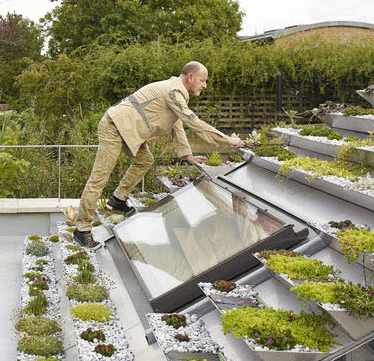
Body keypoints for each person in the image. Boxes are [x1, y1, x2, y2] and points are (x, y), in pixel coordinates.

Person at [72, 61, 245, 246]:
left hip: (128, 130)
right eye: (203, 81)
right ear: (190, 77)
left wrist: (187, 155)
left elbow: (177, 124)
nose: (205, 85)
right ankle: (81, 230)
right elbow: (193, 122)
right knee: (99, 178)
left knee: (145, 160)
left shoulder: (176, 93)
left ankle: (117, 200)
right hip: (115, 126)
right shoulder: (173, 92)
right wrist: (227, 139)